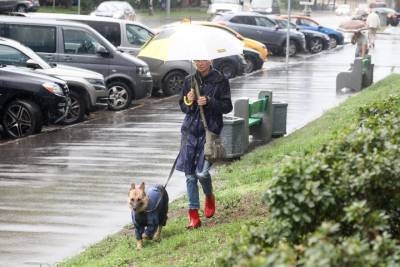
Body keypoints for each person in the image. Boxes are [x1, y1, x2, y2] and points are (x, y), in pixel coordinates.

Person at [176, 60, 233, 229]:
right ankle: (193, 215)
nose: (199, 63)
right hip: (190, 131)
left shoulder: (220, 80)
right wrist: (188, 100)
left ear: (210, 60)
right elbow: (182, 105)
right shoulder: (189, 80)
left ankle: (209, 196)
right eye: (196, 60)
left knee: (202, 173)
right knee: (190, 175)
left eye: (203, 60)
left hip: (210, 131)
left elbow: (227, 106)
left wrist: (209, 101)